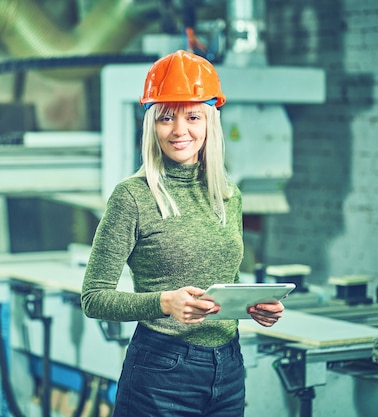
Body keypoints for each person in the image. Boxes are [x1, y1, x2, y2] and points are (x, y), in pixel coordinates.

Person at [81, 50, 285, 417]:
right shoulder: (132, 197)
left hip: (228, 369)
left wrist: (253, 307)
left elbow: (225, 279)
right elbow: (94, 298)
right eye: (166, 118)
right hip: (160, 373)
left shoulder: (228, 195)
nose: (179, 130)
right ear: (151, 125)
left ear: (209, 122)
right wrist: (163, 302)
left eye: (192, 117)